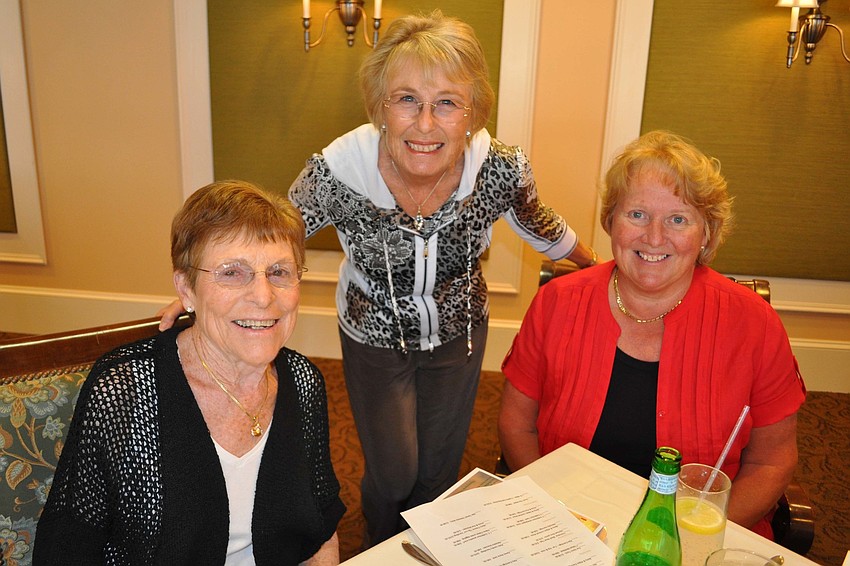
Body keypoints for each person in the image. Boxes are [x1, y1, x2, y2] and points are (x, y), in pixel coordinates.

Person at [159, 11, 596, 547]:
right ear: (381, 106)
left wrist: (601, 267)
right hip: (373, 337)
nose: (426, 124)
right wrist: (199, 294)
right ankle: (380, 546)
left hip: (459, 334)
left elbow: (540, 224)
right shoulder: (341, 170)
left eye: (447, 103)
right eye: (407, 99)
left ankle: (424, 550)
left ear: (473, 112)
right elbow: (269, 236)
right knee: (393, 473)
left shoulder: (498, 168)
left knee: (437, 473)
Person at [499, 130, 806, 540]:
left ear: (707, 235)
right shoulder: (557, 303)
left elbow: (771, 463)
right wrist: (555, 516)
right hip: (567, 528)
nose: (654, 238)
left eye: (678, 219)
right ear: (611, 220)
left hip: (697, 539)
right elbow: (517, 427)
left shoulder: (755, 325)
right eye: (637, 215)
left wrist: (688, 538)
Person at [35, 181, 345, 565]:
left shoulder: (302, 380)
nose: (264, 296)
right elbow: (66, 551)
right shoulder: (125, 390)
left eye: (279, 271)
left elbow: (321, 527)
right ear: (186, 289)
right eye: (233, 273)